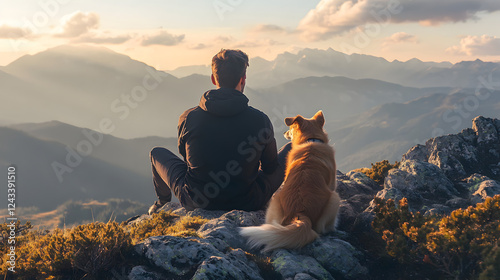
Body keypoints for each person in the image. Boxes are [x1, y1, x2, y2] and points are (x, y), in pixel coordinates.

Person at [148, 49, 291, 215]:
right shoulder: (260, 120)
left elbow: (187, 160)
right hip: (248, 202)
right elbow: (270, 168)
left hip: (196, 200)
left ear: (213, 79)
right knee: (291, 148)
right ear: (243, 80)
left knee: (156, 153)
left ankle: (161, 204)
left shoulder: (188, 118)